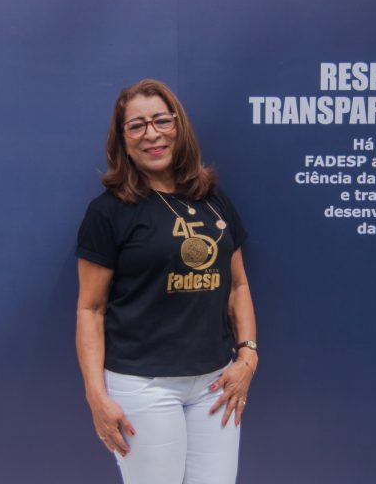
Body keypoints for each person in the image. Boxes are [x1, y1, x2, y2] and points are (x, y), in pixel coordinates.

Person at [75, 78, 257, 484]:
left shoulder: (213, 199)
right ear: (122, 140)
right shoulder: (107, 213)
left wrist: (248, 356)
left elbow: (239, 286)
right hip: (144, 386)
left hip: (216, 383)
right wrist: (96, 395)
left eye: (161, 120)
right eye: (136, 125)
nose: (152, 134)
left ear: (179, 126)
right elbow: (90, 309)